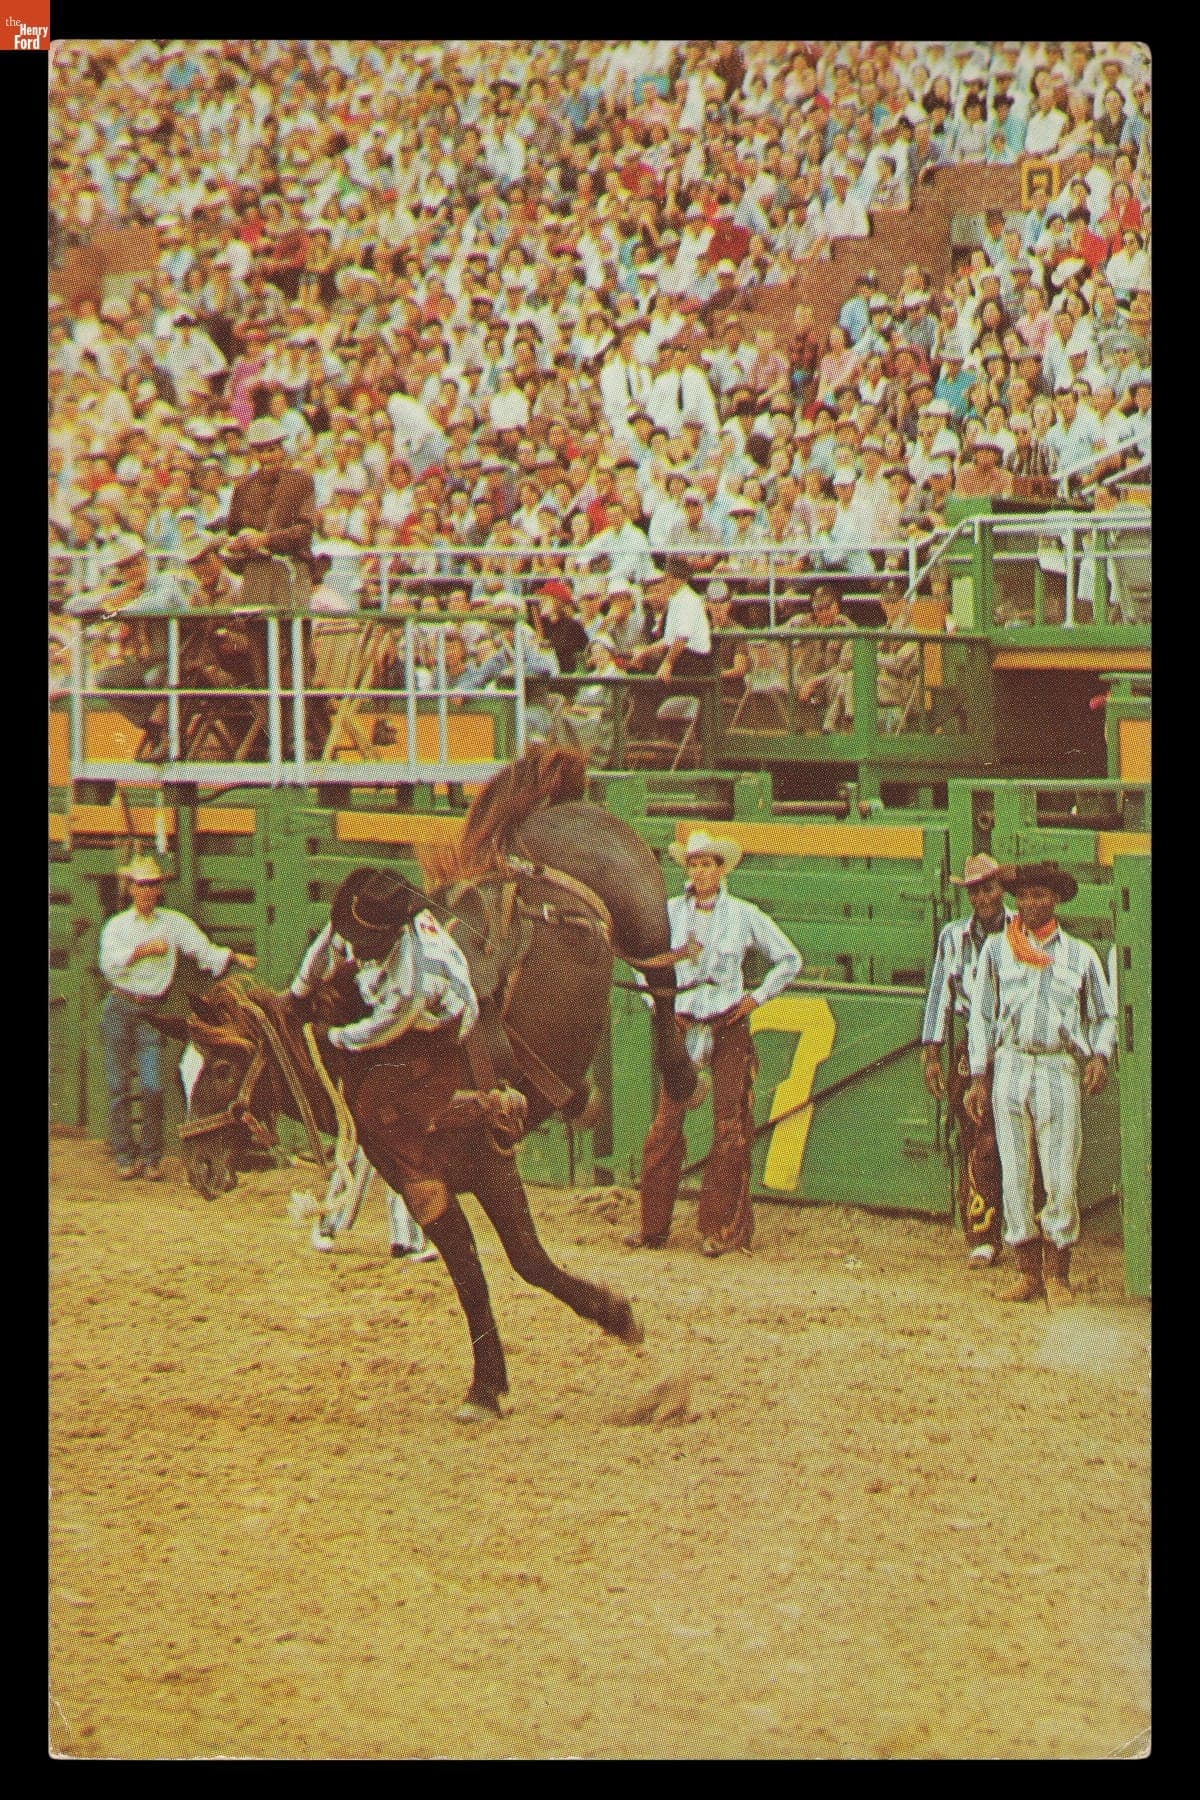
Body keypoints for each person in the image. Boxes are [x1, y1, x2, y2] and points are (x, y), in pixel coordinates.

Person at [287, 867, 487, 1258]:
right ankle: (388, 1231)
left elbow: (382, 1030)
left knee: (394, 1121)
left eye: (367, 944)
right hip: (384, 1006)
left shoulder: (416, 979)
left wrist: (333, 1038)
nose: (356, 949)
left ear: (392, 935)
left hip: (436, 1026)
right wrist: (297, 995)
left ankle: (397, 1230)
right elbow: (327, 947)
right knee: (374, 1118)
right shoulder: (355, 918)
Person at [626, 829, 801, 1258]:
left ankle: (721, 1228)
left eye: (708, 864)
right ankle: (653, 1228)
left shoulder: (744, 915)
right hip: (683, 1025)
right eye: (694, 864)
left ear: (721, 870)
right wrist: (656, 1002)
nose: (701, 872)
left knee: (729, 1124)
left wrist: (755, 997)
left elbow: (789, 959)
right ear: (686, 869)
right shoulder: (668, 914)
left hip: (726, 1023)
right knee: (666, 1124)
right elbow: (640, 958)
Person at [965, 861, 1117, 1305]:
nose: (1033, 902)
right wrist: (979, 1075)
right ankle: (1028, 1272)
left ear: (1056, 900)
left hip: (1057, 1066)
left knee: (1060, 1175)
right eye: (1026, 895)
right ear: (1016, 900)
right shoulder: (996, 951)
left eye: (1042, 896)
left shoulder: (1080, 956)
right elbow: (982, 1015)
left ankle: (1059, 1275)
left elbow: (1103, 1014)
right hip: (1011, 1064)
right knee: (1014, 1174)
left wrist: (1100, 1056)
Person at [98, 853, 256, 1179]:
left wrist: (233, 956)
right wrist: (143, 951)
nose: (148, 892)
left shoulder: (172, 923)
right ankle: (126, 1156)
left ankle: (152, 1157)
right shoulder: (117, 926)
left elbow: (202, 949)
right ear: (131, 889)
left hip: (151, 1011)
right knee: (118, 1086)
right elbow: (108, 964)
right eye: (142, 885)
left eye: (153, 885)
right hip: (120, 1006)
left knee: (152, 1085)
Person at [921, 854, 1013, 1266]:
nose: (981, 897)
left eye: (988, 888)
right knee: (975, 1134)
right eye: (975, 890)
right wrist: (932, 1049)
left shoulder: (1019, 931)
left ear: (1000, 889)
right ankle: (982, 1232)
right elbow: (940, 990)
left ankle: (1021, 1228)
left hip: (1009, 1040)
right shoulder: (952, 936)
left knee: (1012, 1135)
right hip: (967, 1042)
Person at [223, 416, 317, 608]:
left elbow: (305, 532)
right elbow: (233, 531)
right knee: (255, 630)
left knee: (291, 632)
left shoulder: (301, 482)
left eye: (271, 450)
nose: (266, 457)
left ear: (282, 450)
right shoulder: (243, 488)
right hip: (255, 574)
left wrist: (266, 539)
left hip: (291, 569)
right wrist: (240, 543)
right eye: (260, 451)